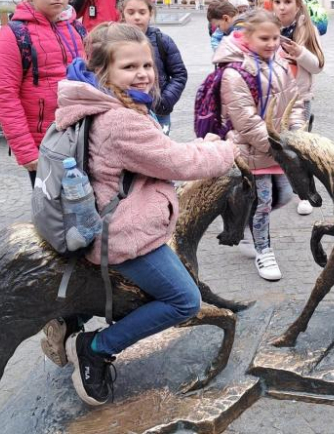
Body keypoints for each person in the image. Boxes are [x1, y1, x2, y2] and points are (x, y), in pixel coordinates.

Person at [52, 23, 237, 405]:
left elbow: (154, 153)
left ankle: (75, 324)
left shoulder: (104, 100)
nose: (143, 73)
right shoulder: (119, 119)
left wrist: (203, 144)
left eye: (147, 65)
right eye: (129, 66)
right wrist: (228, 150)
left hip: (103, 212)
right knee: (184, 300)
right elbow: (176, 162)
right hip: (120, 230)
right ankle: (96, 347)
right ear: (104, 71)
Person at [213, 10, 305, 280]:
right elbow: (246, 121)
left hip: (280, 150)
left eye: (276, 37)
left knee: (285, 196)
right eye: (264, 38)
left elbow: (295, 102)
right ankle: (264, 251)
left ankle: (242, 222)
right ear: (247, 36)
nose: (272, 43)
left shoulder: (280, 63)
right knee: (263, 202)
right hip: (253, 151)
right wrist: (277, 147)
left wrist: (297, 135)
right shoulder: (235, 72)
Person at [0, 0, 88, 187]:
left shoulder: (77, 28)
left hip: (82, 136)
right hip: (45, 142)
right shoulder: (15, 34)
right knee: (53, 212)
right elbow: (5, 96)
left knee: (87, 205)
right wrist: (26, 151)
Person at [271, 0, 325, 216]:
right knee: (276, 145)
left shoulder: (307, 29)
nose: (282, 7)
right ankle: (275, 188)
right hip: (274, 98)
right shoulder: (267, 29)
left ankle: (304, 194)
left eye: (287, 2)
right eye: (277, 2)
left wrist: (300, 53)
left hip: (300, 98)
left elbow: (318, 66)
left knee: (301, 147)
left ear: (298, 4)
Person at [119, 0, 187, 135]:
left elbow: (179, 74)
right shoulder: (114, 44)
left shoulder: (162, 41)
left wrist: (164, 101)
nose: (137, 17)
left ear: (150, 14)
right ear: (122, 15)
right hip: (125, 112)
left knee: (161, 151)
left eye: (142, 12)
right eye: (131, 13)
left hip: (159, 113)